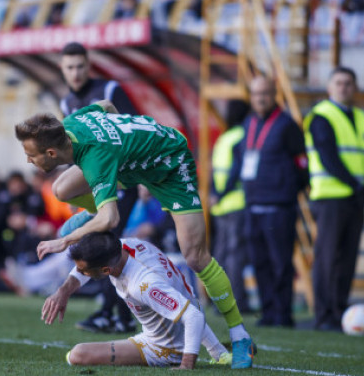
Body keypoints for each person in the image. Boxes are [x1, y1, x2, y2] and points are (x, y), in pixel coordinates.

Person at [14, 102, 255, 369]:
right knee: (60, 189)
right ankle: (98, 205)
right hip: (137, 164)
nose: (28, 160)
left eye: (30, 155)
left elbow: (112, 220)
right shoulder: (69, 125)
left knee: (196, 257)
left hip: (171, 164)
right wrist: (130, 155)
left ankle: (239, 335)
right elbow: (107, 105)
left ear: (50, 152)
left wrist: (66, 240)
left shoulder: (95, 158)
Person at [42, 231, 231, 369]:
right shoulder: (126, 246)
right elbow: (186, 303)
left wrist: (186, 365)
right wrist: (63, 291)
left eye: (85, 272)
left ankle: (192, 354)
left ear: (107, 270)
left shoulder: (143, 284)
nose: (81, 274)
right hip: (175, 315)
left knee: (77, 354)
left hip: (164, 348)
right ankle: (220, 352)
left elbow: (193, 316)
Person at [58, 41, 138, 334]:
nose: (76, 73)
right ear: (62, 69)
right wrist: (71, 191)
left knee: (108, 243)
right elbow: (72, 151)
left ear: (89, 66)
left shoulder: (109, 91)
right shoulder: (66, 103)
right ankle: (115, 313)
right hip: (94, 188)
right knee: (101, 245)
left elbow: (131, 128)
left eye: (80, 66)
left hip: (120, 183)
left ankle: (116, 313)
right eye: (70, 67)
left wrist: (138, 179)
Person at [224, 77, 308, 327]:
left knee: (280, 262)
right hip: (253, 205)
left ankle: (284, 314)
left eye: (265, 93)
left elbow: (302, 165)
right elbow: (240, 159)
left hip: (279, 206)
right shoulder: (249, 123)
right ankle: (269, 312)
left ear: (274, 95)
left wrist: (289, 189)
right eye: (256, 93)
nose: (260, 98)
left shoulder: (287, 125)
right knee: (259, 262)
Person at [304, 67, 364, 332]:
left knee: (347, 257)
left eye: (349, 83)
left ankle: (339, 311)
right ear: (329, 87)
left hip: (355, 199)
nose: (344, 87)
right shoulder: (321, 116)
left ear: (355, 87)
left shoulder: (361, 116)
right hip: (331, 198)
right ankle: (324, 316)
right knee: (327, 257)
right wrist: (357, 185)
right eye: (339, 82)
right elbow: (328, 157)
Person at [210, 99, 251, 314]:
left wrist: (213, 195)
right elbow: (236, 170)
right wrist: (221, 193)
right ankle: (236, 302)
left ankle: (220, 302)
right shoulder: (242, 137)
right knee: (236, 256)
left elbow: (215, 170)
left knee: (221, 256)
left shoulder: (223, 138)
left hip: (221, 206)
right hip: (235, 202)